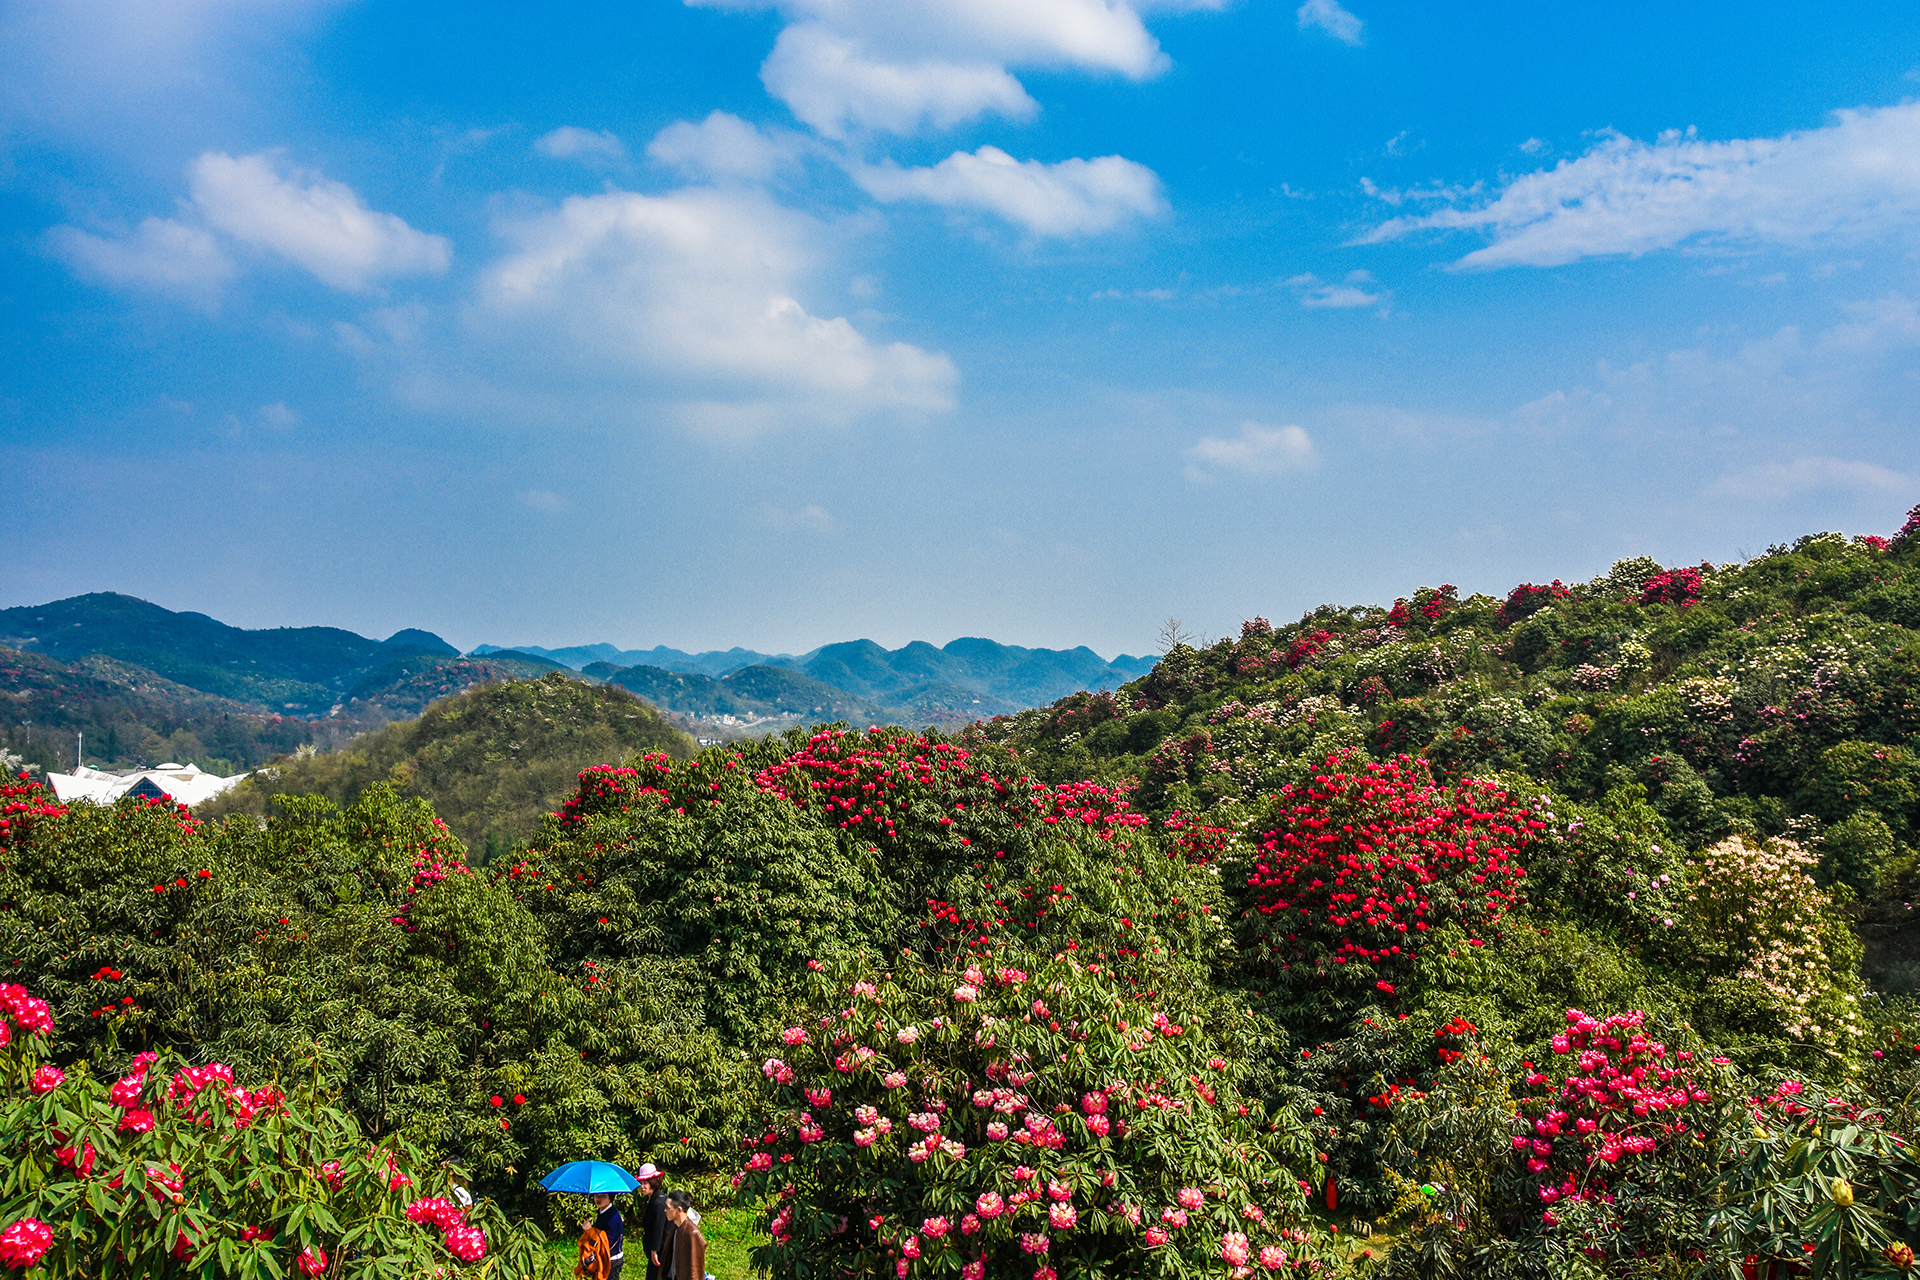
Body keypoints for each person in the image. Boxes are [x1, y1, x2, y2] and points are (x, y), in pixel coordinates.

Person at [581, 1191, 624, 1280]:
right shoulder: (603, 1211)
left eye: (603, 1196)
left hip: (611, 1260)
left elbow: (606, 1244)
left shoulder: (612, 1218)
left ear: (610, 1198)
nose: (598, 1199)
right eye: (596, 1195)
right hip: (603, 1257)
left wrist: (590, 1230)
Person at [635, 1165, 669, 1280]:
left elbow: (658, 1228)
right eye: (641, 1183)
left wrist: (654, 1250)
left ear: (653, 1183)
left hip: (661, 1250)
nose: (642, 1187)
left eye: (645, 1183)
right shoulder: (651, 1199)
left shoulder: (659, 1202)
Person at [664, 1190, 706, 1280]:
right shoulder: (675, 1229)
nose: (665, 1210)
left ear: (679, 1210)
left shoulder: (692, 1233)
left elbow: (695, 1270)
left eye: (668, 1208)